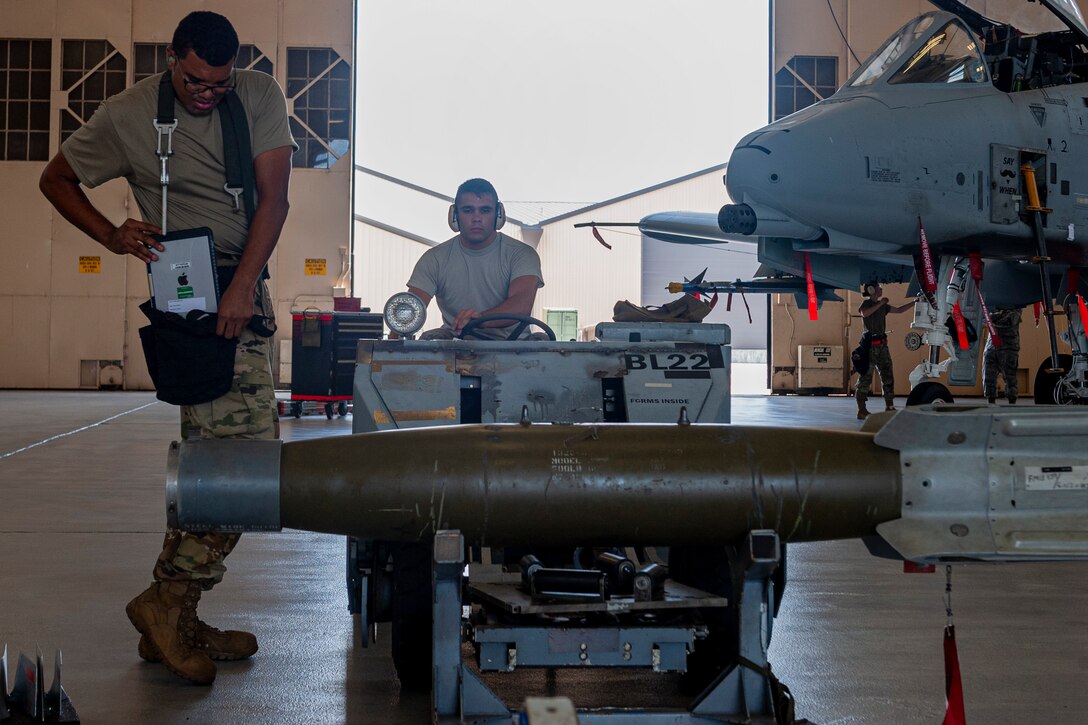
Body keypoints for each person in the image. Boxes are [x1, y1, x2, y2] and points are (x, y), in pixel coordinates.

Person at [39, 11, 294, 685]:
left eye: (218, 81)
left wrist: (242, 289)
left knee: (237, 464)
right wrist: (111, 234)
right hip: (189, 290)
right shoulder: (128, 113)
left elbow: (275, 200)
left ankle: (172, 609)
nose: (207, 92)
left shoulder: (261, 96)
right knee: (235, 468)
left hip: (244, 284)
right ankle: (169, 604)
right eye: (193, 79)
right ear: (171, 59)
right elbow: (56, 179)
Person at [406, 178, 544, 340]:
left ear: (498, 215)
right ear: (455, 215)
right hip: (456, 345)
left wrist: (478, 319)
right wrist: (391, 346)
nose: (476, 218)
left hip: (514, 347)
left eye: (485, 210)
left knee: (543, 343)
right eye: (468, 210)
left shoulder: (521, 254)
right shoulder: (435, 259)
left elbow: (521, 305)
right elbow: (409, 310)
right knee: (428, 340)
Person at [854, 283, 913, 419]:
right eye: (879, 288)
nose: (881, 289)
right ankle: (861, 410)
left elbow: (899, 310)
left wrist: (914, 303)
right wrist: (881, 303)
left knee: (887, 376)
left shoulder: (883, 306)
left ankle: (889, 406)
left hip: (882, 346)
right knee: (865, 378)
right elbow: (865, 313)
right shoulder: (866, 304)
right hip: (869, 348)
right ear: (871, 290)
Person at [983, 306, 1023, 404]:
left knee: (1010, 378)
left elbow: (1010, 320)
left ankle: (1012, 402)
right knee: (988, 376)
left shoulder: (1016, 304)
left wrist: (993, 318)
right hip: (992, 346)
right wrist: (1000, 316)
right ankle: (990, 401)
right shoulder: (993, 303)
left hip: (1008, 346)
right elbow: (985, 319)